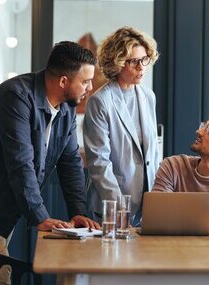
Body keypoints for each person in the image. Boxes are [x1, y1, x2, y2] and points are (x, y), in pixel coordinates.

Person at [0, 41, 100, 284]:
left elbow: (70, 161)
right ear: (63, 81)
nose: (90, 88)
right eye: (85, 81)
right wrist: (40, 216)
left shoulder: (66, 108)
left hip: (5, 195)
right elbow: (21, 161)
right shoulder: (15, 97)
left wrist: (78, 212)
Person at [83, 27, 160, 225]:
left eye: (144, 59)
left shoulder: (148, 96)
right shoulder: (100, 101)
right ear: (116, 63)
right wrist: (119, 208)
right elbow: (99, 163)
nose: (141, 67)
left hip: (148, 205)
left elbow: (152, 153)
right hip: (112, 205)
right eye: (133, 61)